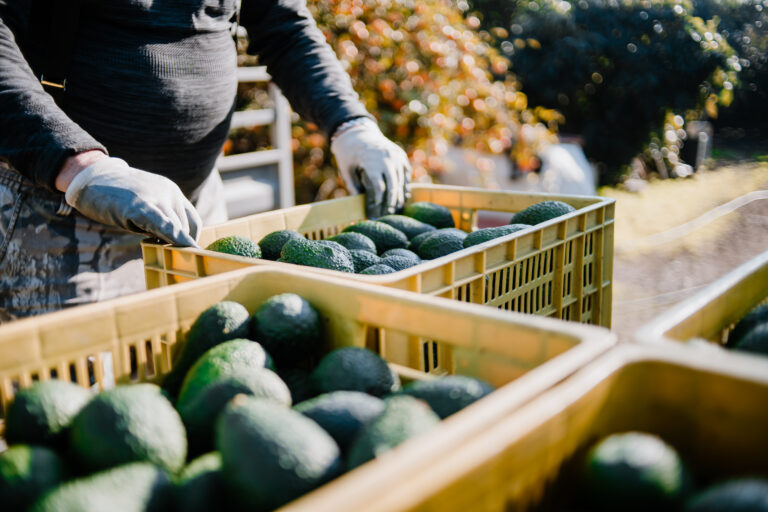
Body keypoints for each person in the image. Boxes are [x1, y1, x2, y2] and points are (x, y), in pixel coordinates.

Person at [0, 0, 411, 320]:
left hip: (195, 206)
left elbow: (285, 27)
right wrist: (80, 166)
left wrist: (350, 124)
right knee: (88, 390)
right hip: (60, 203)